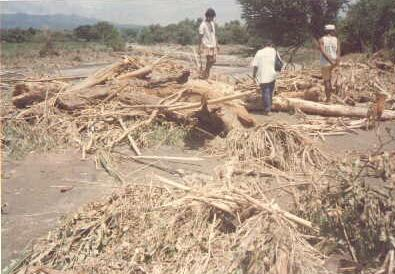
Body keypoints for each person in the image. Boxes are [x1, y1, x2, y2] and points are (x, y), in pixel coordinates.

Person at [252, 40, 283, 115]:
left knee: (265, 91)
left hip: (263, 74)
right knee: (270, 91)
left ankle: (267, 110)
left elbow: (255, 65)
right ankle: (269, 107)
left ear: (264, 45)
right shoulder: (274, 51)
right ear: (271, 45)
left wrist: (254, 74)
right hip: (273, 74)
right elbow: (280, 62)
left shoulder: (259, 52)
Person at [319, 24, 341, 102]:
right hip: (335, 62)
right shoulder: (337, 40)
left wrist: (330, 61)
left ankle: (328, 99)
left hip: (325, 63)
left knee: (327, 81)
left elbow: (323, 52)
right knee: (335, 80)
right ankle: (336, 97)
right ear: (332, 31)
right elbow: (338, 52)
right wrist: (336, 62)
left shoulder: (322, 39)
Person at [198, 8, 219, 79]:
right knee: (210, 60)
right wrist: (199, 47)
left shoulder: (212, 23)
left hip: (213, 44)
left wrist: (217, 44)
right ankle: (206, 73)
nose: (213, 18)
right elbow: (200, 36)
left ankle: (206, 72)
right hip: (206, 45)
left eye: (213, 17)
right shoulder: (202, 25)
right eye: (212, 17)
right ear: (207, 16)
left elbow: (214, 34)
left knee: (214, 60)